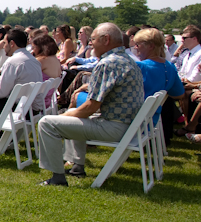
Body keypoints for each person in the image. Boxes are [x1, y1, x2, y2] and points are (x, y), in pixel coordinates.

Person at [37, 23, 144, 185]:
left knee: (47, 123)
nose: (91, 43)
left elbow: (90, 108)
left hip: (114, 127)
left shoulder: (108, 63)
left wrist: (64, 115)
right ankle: (77, 166)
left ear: (106, 40)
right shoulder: (125, 59)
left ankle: (57, 177)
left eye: (93, 39)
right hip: (128, 125)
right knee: (72, 117)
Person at [31, 33, 63, 109]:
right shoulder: (56, 60)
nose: (33, 50)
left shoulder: (42, 60)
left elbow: (27, 75)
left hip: (36, 101)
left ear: (41, 47)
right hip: (48, 99)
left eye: (34, 47)